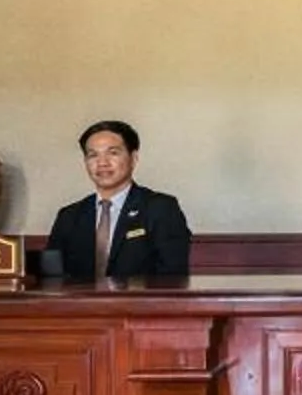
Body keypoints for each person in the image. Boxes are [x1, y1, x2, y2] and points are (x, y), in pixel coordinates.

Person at [44, 120, 193, 281]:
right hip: (79, 305)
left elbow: (172, 277)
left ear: (133, 158)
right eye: (93, 155)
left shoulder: (160, 208)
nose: (102, 163)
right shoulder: (69, 216)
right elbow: (52, 279)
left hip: (140, 305)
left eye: (113, 153)